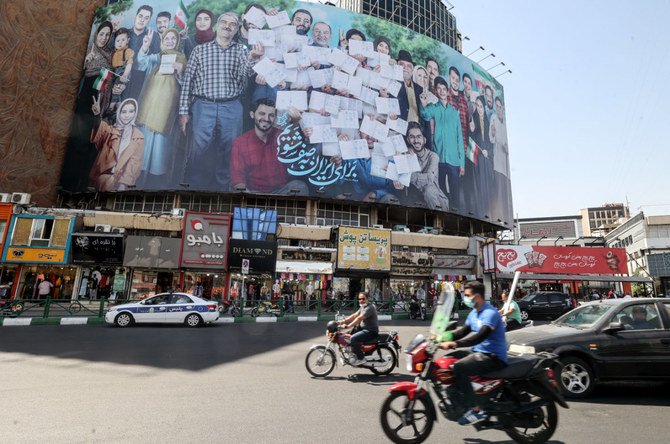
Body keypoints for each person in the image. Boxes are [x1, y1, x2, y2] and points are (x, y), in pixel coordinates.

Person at [179, 12, 264, 191]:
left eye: (232, 24)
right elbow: (188, 81)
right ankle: (192, 189)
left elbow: (245, 77)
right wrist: (184, 111)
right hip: (203, 105)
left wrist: (250, 59)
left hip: (231, 106)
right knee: (198, 149)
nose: (227, 26)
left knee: (230, 150)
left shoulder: (241, 50)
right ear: (217, 25)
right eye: (224, 22)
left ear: (236, 30)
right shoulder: (200, 50)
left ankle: (223, 191)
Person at [438, 281, 507, 425]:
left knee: (459, 367)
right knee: (448, 360)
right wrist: (443, 337)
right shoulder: (474, 313)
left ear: (478, 296)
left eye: (467, 295)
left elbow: (480, 336)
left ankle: (476, 410)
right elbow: (462, 332)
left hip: (492, 356)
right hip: (478, 351)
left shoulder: (490, 313)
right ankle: (463, 395)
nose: (465, 298)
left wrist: (455, 344)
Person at [61, 20, 113, 192]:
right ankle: (69, 185)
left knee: (91, 149)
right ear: (96, 34)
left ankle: (80, 186)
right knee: (78, 145)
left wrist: (100, 106)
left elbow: (105, 85)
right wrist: (84, 65)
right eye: (102, 33)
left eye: (107, 35)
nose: (104, 38)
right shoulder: (87, 51)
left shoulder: (108, 56)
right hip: (81, 107)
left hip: (96, 109)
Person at [135, 28, 187, 189]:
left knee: (159, 147)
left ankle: (154, 181)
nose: (170, 41)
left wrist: (181, 69)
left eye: (173, 38)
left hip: (165, 110)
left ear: (178, 41)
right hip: (148, 108)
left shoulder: (182, 57)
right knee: (143, 143)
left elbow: (186, 82)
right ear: (162, 40)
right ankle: (137, 176)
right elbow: (141, 63)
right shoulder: (157, 56)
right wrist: (145, 46)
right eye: (167, 38)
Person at [230, 99, 308, 194]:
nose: (266, 119)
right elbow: (237, 178)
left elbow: (300, 149)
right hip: (254, 193)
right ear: (252, 114)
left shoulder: (282, 136)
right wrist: (248, 196)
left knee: (300, 186)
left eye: (271, 115)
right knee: (236, 191)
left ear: (275, 117)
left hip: (281, 191)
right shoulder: (240, 142)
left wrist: (297, 123)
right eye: (262, 113)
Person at [420, 76, 464, 209]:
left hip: (454, 159)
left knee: (455, 189)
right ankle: (445, 212)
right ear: (437, 91)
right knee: (441, 188)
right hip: (439, 157)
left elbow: (459, 138)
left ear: (447, 91)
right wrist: (423, 103)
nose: (442, 91)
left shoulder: (454, 112)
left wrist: (462, 163)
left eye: (444, 89)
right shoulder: (434, 107)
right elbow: (425, 115)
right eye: (439, 89)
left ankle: (455, 212)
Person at [89, 96, 145, 191]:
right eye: (124, 112)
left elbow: (135, 163)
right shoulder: (111, 130)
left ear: (135, 113)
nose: (127, 115)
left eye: (131, 111)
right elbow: (100, 132)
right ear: (119, 113)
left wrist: (123, 185)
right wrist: (97, 114)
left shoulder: (139, 136)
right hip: (103, 178)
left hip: (122, 183)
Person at [396, 122, 449, 210]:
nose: (416, 140)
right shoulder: (406, 156)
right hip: (416, 202)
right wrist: (404, 159)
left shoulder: (433, 156)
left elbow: (429, 179)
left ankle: (439, 222)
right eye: (412, 137)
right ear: (408, 140)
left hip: (437, 202)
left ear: (424, 139)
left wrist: (407, 175)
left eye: (419, 136)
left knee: (429, 190)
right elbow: (400, 180)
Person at [337, 292, 379, 366]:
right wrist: (342, 321)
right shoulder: (362, 307)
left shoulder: (369, 308)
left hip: (370, 331)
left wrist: (348, 326)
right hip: (363, 329)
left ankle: (361, 358)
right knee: (346, 335)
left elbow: (359, 318)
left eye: (363, 299)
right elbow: (354, 315)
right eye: (359, 299)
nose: (361, 300)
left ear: (367, 299)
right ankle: (352, 353)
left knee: (353, 338)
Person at [109, 28, 134, 113]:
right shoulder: (114, 52)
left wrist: (125, 75)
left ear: (128, 41)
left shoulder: (127, 51)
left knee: (117, 86)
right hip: (116, 72)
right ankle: (118, 105)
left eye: (123, 40)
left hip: (123, 71)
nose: (120, 42)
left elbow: (129, 63)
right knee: (117, 86)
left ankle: (112, 105)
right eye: (118, 40)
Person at [396, 50, 423, 123]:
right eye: (402, 65)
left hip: (417, 130)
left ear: (412, 70)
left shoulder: (420, 90)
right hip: (399, 130)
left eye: (409, 66)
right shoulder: (391, 85)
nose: (405, 68)